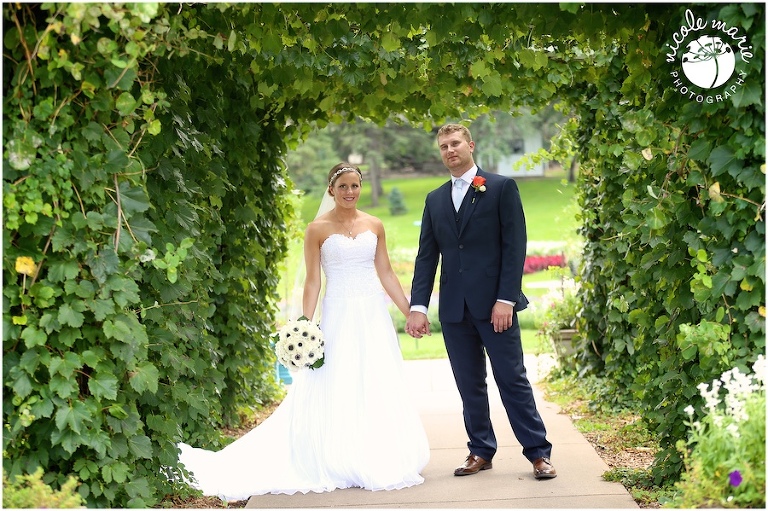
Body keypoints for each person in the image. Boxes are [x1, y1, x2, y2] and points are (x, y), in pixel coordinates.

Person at [177, 163, 429, 501]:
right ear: (331, 190)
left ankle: (377, 452)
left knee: (374, 378)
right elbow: (313, 281)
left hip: (372, 315)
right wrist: (304, 328)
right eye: (343, 186)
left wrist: (410, 311)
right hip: (338, 313)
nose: (350, 192)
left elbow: (385, 273)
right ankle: (338, 455)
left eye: (355, 185)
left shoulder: (375, 224)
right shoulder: (317, 229)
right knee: (338, 380)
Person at [405, 123, 556, 480]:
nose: (449, 150)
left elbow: (514, 246)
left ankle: (538, 453)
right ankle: (480, 451)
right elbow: (427, 257)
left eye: (455, 143)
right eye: (443, 146)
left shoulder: (501, 188)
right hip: (455, 309)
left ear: (470, 145)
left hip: (495, 307)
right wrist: (419, 306)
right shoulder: (435, 199)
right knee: (468, 383)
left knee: (511, 378)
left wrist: (505, 299)